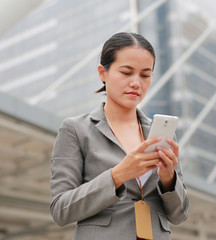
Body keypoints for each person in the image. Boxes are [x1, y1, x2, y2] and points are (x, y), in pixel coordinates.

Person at [50, 32, 189, 240]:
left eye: (145, 75)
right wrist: (119, 175)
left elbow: (179, 215)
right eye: (126, 72)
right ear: (102, 73)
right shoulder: (75, 130)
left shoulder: (161, 134)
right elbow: (61, 209)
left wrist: (168, 179)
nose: (136, 83)